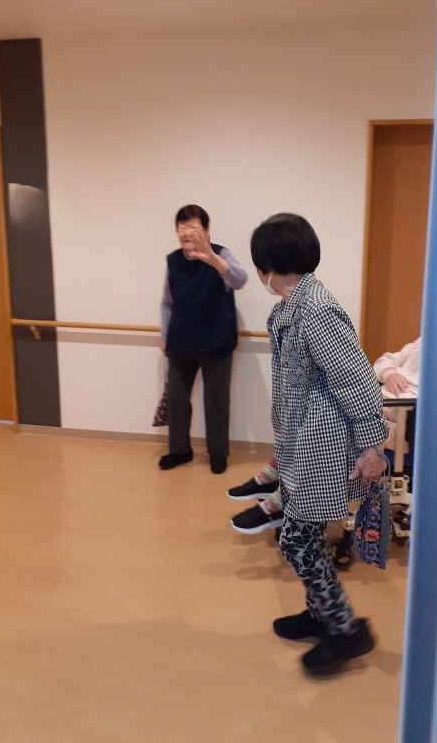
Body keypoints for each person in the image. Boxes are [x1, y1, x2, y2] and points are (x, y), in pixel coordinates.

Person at [250, 212, 389, 677]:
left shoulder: (316, 311)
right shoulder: (290, 309)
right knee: (303, 535)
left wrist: (372, 447)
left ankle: (346, 629)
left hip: (321, 448)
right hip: (299, 446)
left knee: (295, 539)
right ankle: (321, 614)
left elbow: (357, 380)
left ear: (269, 264)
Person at [227, 337, 421, 534]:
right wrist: (390, 374)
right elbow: (385, 360)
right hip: (379, 404)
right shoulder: (423, 342)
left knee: (325, 431)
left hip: (406, 420)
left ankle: (276, 499)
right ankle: (271, 481)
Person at [158, 204, 248, 474]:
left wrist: (212, 259)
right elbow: (167, 303)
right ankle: (179, 450)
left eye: (193, 227)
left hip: (216, 341)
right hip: (180, 342)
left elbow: (240, 280)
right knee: (176, 399)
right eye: (182, 227)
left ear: (206, 231)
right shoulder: (173, 261)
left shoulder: (221, 254)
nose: (187, 232)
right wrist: (164, 335)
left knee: (216, 402)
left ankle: (217, 454)